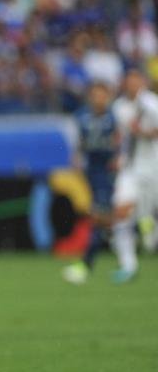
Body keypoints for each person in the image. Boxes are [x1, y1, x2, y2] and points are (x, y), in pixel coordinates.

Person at [63, 81, 120, 284]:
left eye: (102, 95)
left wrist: (120, 156)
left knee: (101, 216)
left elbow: (122, 139)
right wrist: (76, 157)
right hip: (94, 171)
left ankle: (87, 263)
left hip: (114, 170)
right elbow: (78, 143)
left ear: (108, 96)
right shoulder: (81, 117)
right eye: (95, 94)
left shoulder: (116, 115)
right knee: (102, 215)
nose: (99, 98)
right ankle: (123, 237)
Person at [105, 68, 157, 283]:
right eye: (129, 81)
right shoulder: (118, 107)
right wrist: (116, 155)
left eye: (137, 80)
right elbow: (119, 136)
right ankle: (128, 265)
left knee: (149, 217)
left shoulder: (152, 104)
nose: (133, 84)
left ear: (143, 82)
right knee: (120, 213)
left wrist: (142, 132)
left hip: (153, 166)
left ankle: (149, 232)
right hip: (129, 168)